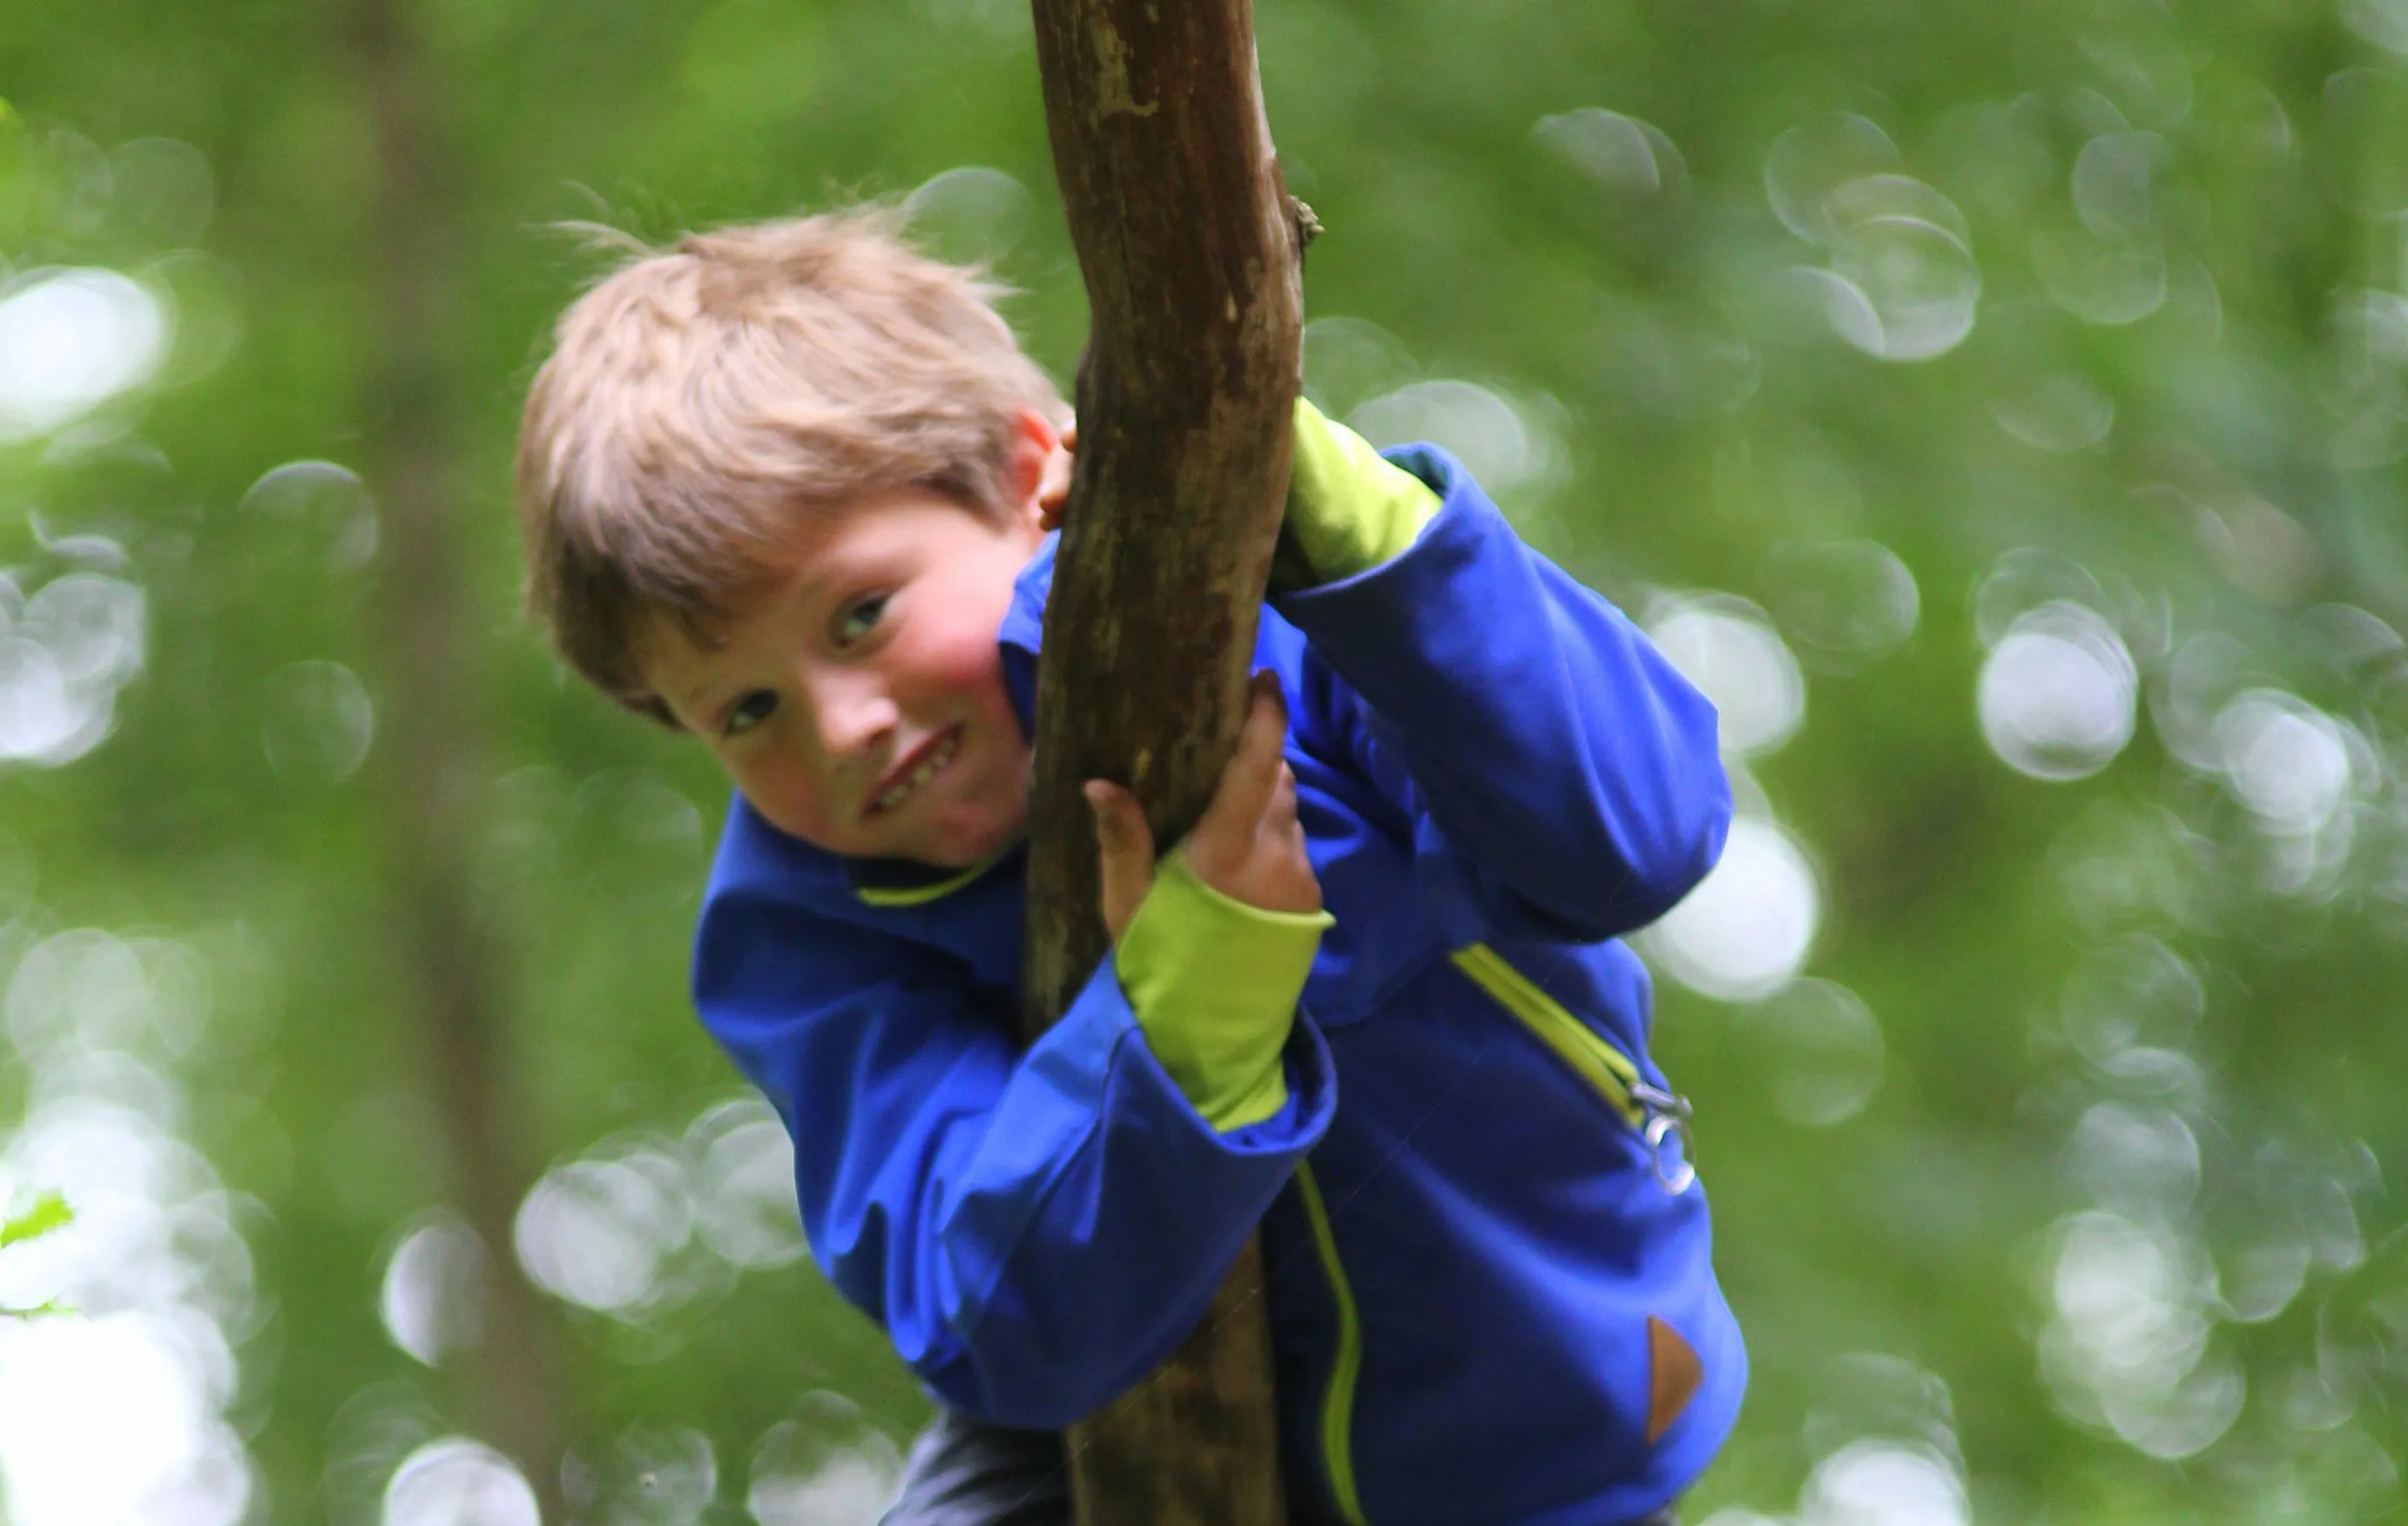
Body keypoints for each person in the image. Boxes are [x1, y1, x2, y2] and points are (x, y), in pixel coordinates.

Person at [514, 206, 1740, 1526]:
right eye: (746, 712)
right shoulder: (802, 934)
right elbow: (988, 1312)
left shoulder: (1296, 617)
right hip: (1094, 1430)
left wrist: (1331, 510)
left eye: (861, 617)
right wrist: (1189, 1013)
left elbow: (1638, 836)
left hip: (1528, 1387)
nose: (841, 725)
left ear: (1028, 471)